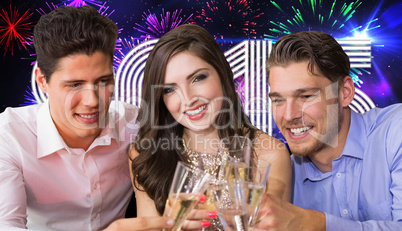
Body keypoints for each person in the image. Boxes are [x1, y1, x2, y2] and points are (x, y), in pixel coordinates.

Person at [0, 5, 181, 231]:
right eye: (75, 85)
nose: (93, 101)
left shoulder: (136, 125)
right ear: (42, 80)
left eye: (103, 81)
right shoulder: (9, 136)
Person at [130, 23, 292, 230]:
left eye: (198, 78)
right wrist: (169, 226)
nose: (188, 99)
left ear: (222, 74)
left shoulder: (269, 154)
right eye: (170, 89)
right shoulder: (146, 155)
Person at [255, 30, 402, 230]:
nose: (289, 115)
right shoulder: (281, 177)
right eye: (278, 100)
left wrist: (316, 223)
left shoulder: (395, 132)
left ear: (345, 92)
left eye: (306, 96)